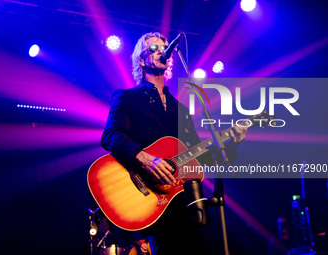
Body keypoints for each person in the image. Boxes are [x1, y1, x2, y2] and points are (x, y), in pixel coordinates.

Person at [101, 32, 247, 255]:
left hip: (184, 205)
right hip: (149, 201)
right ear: (141, 60)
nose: (161, 51)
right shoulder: (127, 97)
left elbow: (199, 159)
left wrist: (231, 141)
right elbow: (111, 135)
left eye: (164, 47)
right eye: (153, 48)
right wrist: (145, 158)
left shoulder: (181, 108)